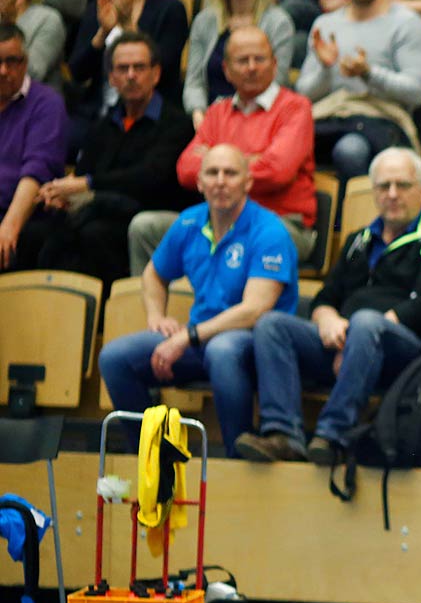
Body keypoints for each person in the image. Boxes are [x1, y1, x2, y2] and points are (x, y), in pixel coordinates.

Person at [237, 147, 421, 464]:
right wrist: (329, 320)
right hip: (350, 342)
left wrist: (358, 337)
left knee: (366, 322)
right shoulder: (359, 241)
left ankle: (334, 434)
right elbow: (324, 298)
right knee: (272, 325)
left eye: (402, 185)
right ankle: (283, 434)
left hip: (414, 357)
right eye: (383, 186)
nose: (392, 194)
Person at [97, 143, 299, 452]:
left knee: (222, 350)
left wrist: (187, 337)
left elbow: (254, 311)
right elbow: (153, 274)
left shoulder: (269, 230)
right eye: (212, 173)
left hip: (253, 344)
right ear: (200, 182)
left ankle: (239, 454)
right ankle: (152, 458)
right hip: (199, 339)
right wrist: (156, 317)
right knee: (114, 358)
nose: (220, 181)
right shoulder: (190, 222)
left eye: (230, 173)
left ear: (248, 182)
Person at [130, 27, 316, 273]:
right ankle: (153, 311)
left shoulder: (295, 108)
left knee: (235, 240)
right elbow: (186, 170)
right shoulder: (218, 111)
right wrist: (250, 160)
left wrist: (213, 158)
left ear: (274, 64)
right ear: (227, 70)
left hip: (279, 223)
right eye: (242, 60)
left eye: (259, 59)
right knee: (144, 227)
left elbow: (276, 172)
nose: (252, 67)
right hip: (216, 219)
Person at [31, 32, 195, 283]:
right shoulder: (104, 125)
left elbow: (151, 177)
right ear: (112, 78)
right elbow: (83, 173)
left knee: (93, 235)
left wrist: (87, 184)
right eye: (122, 68)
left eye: (139, 67)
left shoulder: (177, 124)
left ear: (156, 73)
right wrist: (62, 196)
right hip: (100, 211)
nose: (131, 75)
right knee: (39, 232)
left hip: (146, 218)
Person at [296, 0, 421, 180]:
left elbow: (417, 92)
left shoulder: (406, 24)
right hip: (330, 115)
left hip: (381, 119)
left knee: (350, 150)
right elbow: (304, 93)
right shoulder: (325, 24)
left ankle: (353, 218)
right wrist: (326, 69)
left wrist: (369, 73)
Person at [68, 0, 187, 137]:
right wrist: (103, 33)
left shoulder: (170, 8)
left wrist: (129, 26)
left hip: (151, 113)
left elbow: (164, 70)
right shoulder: (99, 6)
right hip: (99, 111)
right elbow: (78, 72)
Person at [183, 0, 298, 119]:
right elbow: (194, 83)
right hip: (210, 118)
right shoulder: (205, 21)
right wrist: (199, 115)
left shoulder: (278, 22)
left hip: (261, 117)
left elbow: (278, 83)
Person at [0, 22, 61, 271]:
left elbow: (36, 172)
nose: (3, 70)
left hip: (19, 215)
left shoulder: (46, 104)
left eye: (11, 61)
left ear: (25, 63)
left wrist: (8, 227)